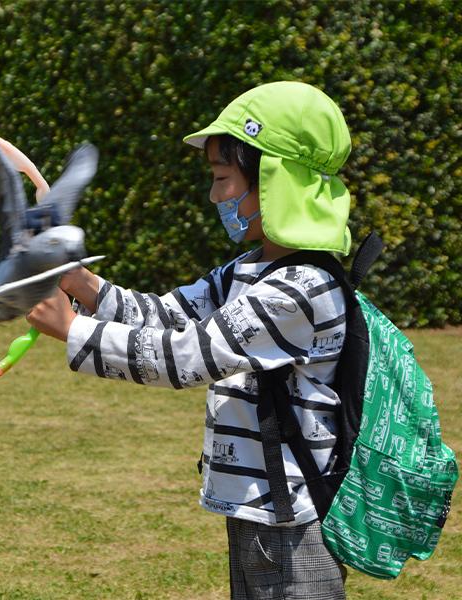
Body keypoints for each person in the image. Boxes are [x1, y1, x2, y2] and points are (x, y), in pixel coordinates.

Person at [27, 81, 353, 600]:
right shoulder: (248, 271)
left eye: (223, 177)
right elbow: (168, 317)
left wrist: (73, 329)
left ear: (274, 179)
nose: (213, 194)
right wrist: (80, 282)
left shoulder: (301, 288)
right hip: (256, 511)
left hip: (293, 526)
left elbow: (188, 356)